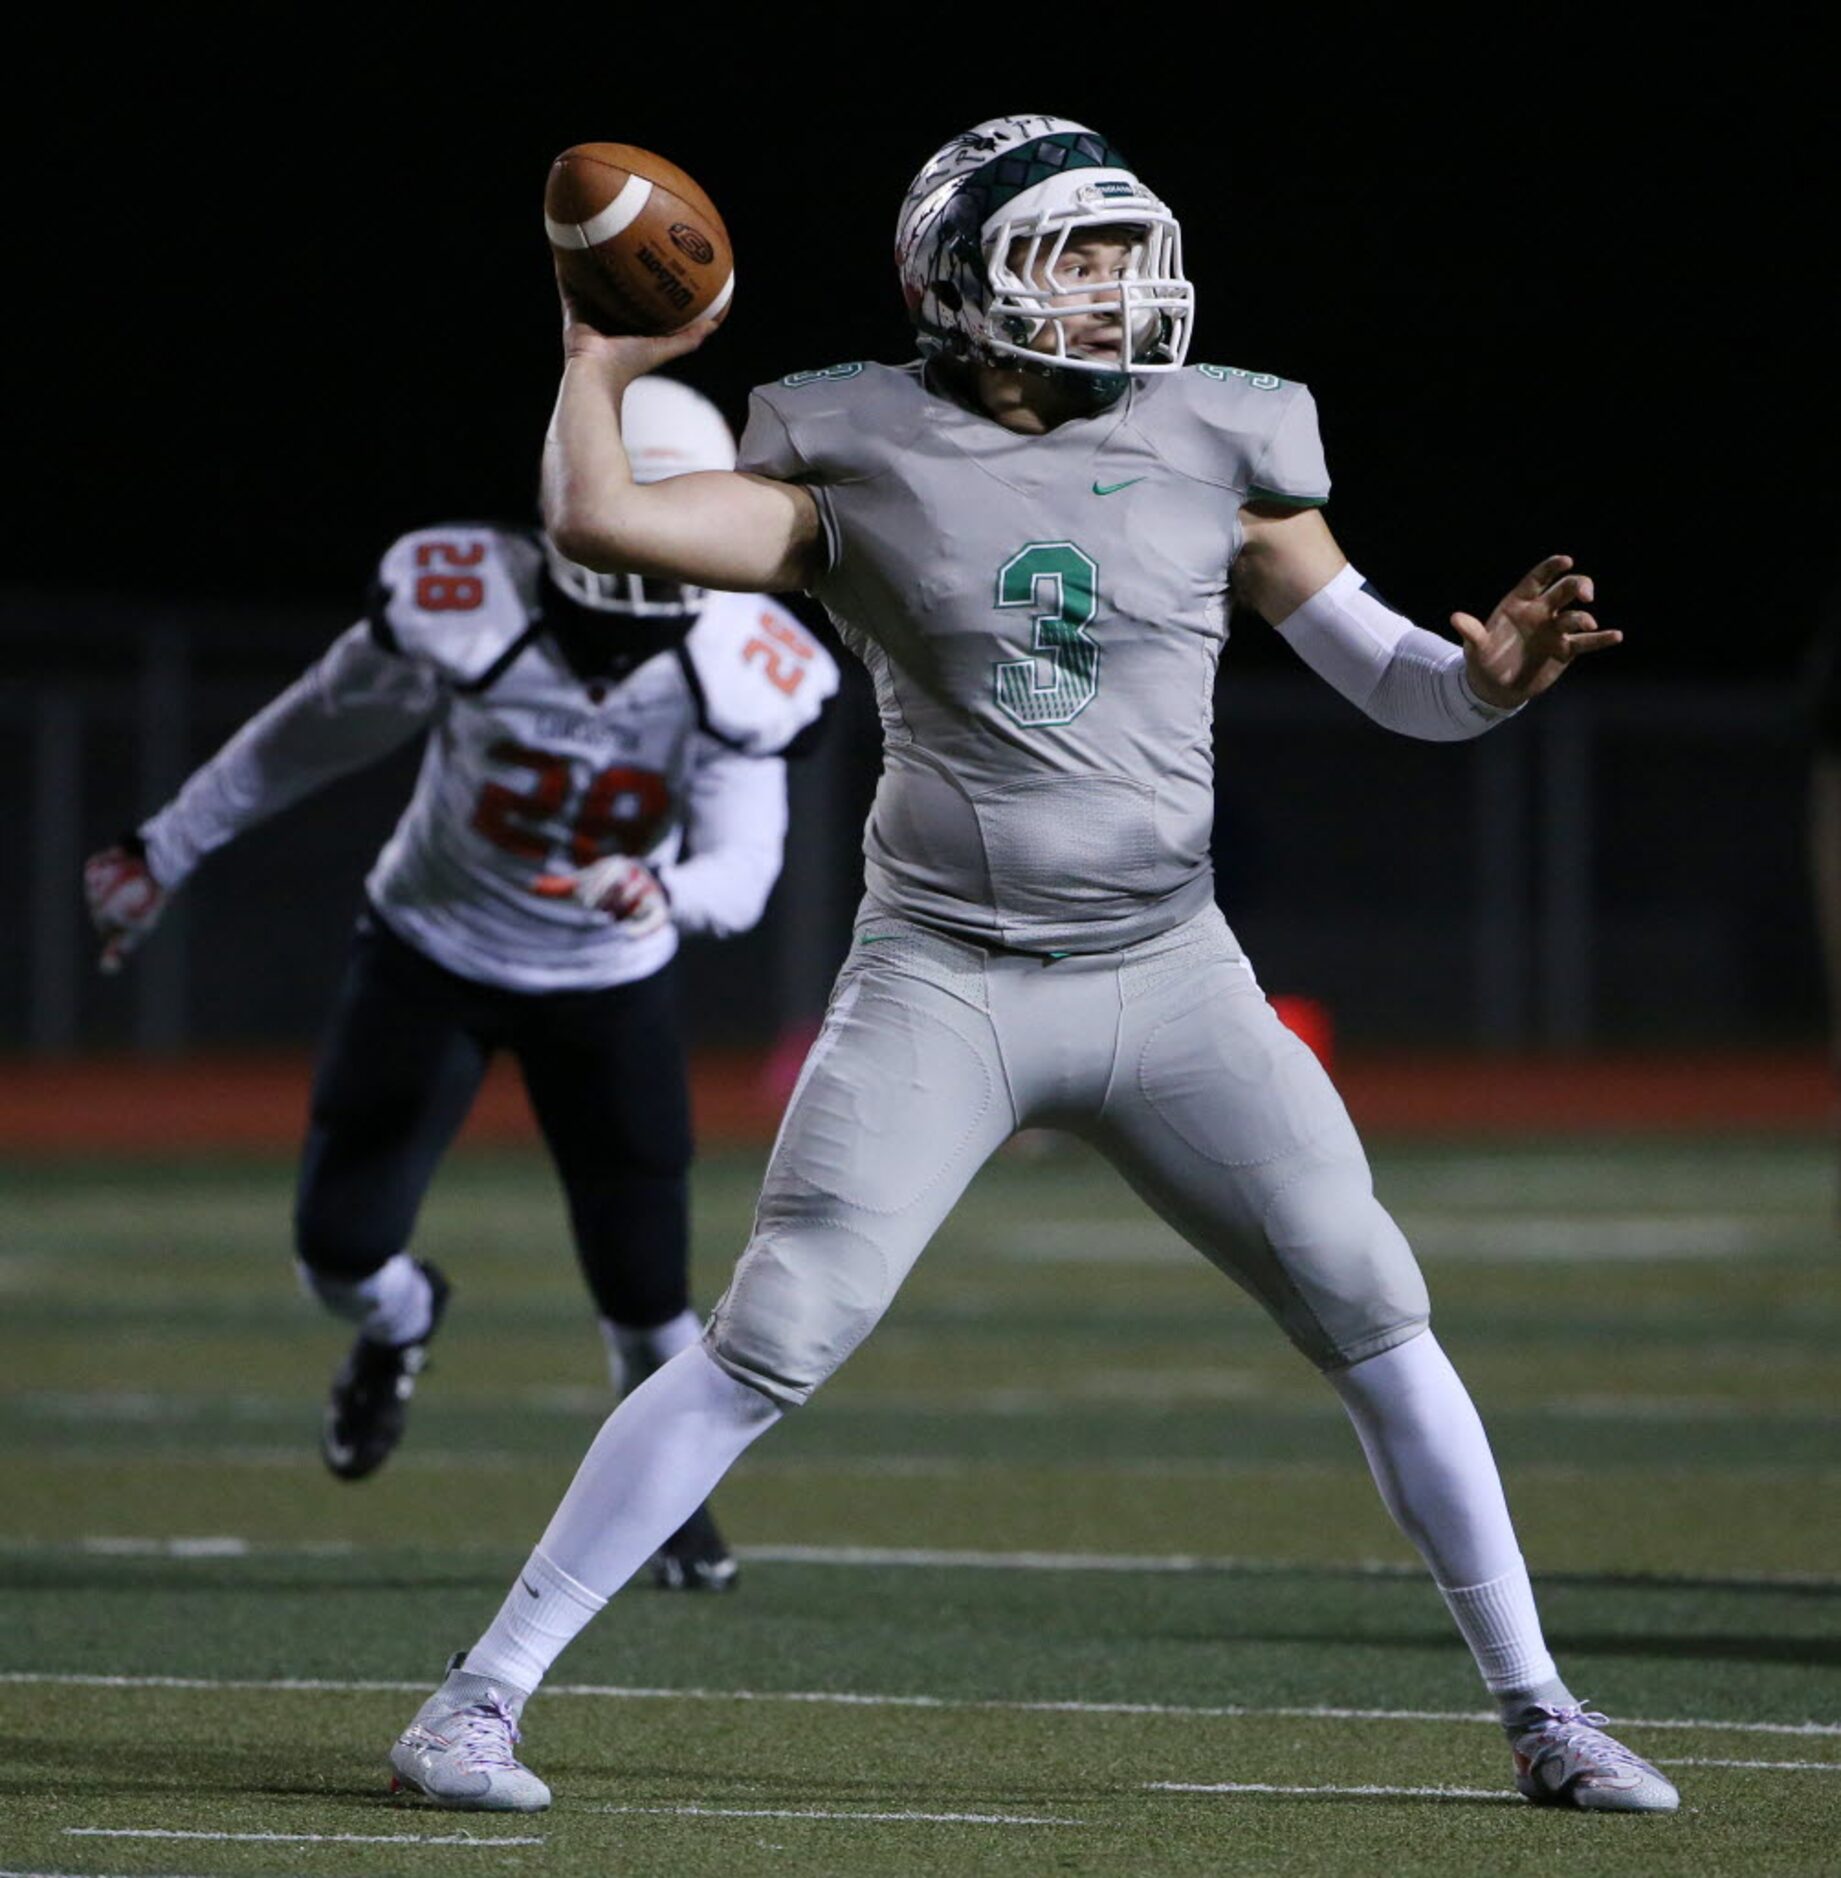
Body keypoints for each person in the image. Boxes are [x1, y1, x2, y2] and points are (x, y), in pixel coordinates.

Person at [384, 115, 1678, 1813]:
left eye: (1124, 248)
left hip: (1173, 971)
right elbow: (602, 514)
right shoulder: (852, 442)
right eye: (1072, 254)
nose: (1118, 286)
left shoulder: (1223, 432)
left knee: (1376, 1307)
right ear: (956, 280)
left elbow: (1400, 684)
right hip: (950, 974)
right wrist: (597, 352)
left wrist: (1490, 682)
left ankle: (1542, 1713)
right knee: (771, 1334)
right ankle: (474, 1700)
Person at [82, 376, 837, 1593]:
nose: (638, 599)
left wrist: (665, 895)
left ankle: (661, 1504)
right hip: (431, 950)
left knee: (648, 1294)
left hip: (608, 979)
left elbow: (742, 866)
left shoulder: (736, 666)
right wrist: (166, 843)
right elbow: (310, 729)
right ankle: (399, 1321)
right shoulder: (471, 605)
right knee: (337, 1251)